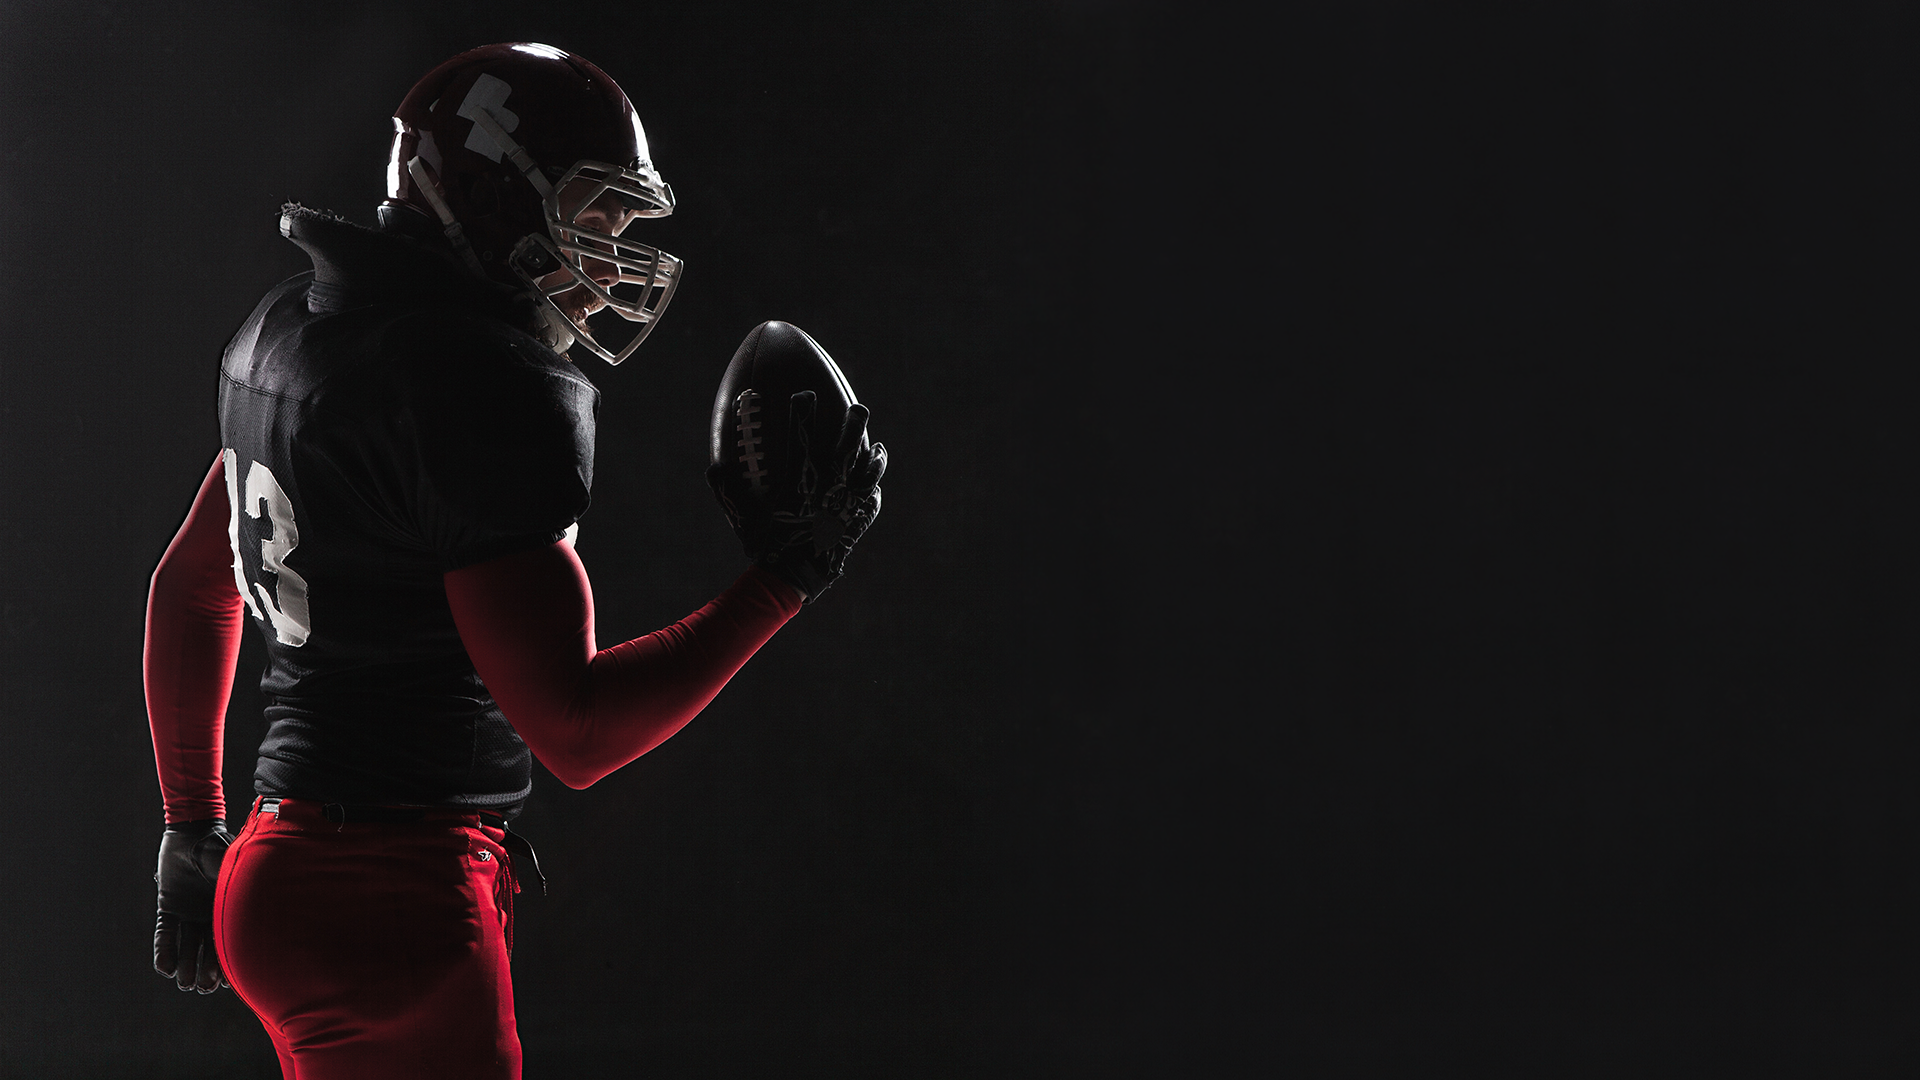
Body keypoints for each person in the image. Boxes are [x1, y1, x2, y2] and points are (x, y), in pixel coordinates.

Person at [144, 43, 884, 1080]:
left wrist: (191, 823)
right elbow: (575, 731)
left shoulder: (283, 331)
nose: (612, 254)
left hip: (271, 873)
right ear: (494, 196)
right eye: (597, 217)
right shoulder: (488, 390)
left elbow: (190, 588)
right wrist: (785, 580)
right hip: (393, 898)